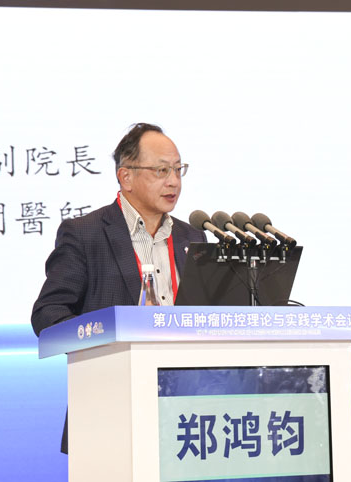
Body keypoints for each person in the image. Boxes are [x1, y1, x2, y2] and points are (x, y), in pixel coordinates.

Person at [31, 123, 206, 453]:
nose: (174, 181)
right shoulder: (86, 234)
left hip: (187, 409)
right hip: (108, 406)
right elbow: (47, 315)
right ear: (126, 177)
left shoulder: (192, 237)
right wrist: (106, 336)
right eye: (161, 170)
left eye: (178, 169)